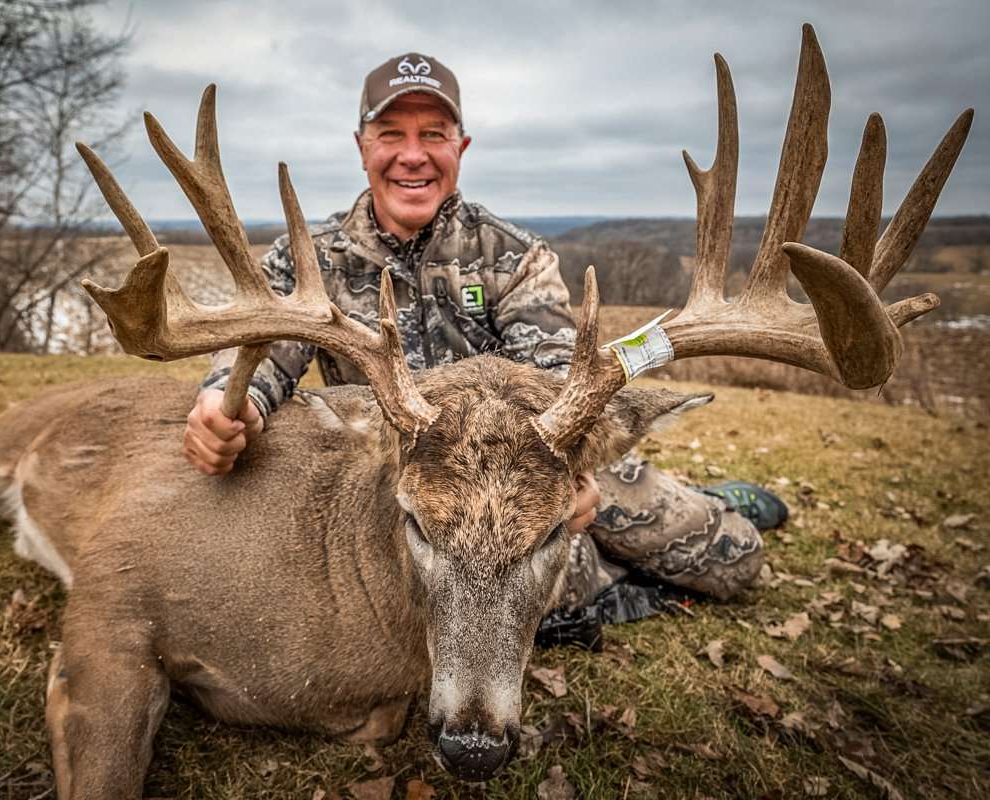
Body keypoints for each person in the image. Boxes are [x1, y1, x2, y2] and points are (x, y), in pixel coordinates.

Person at [183, 52, 784, 634]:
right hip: (411, 490)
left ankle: (711, 503)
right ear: (363, 146)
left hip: (530, 480)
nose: (412, 155)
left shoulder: (512, 254)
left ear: (460, 147)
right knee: (521, 594)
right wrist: (227, 402)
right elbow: (261, 353)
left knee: (730, 560)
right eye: (391, 133)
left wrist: (575, 473)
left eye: (433, 134)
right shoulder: (308, 262)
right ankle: (606, 583)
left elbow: (557, 375)